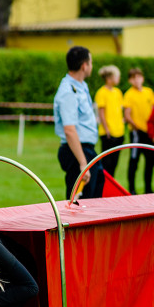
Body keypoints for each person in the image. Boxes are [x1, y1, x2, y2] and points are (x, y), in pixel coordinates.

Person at [53, 46, 104, 200]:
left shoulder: (81, 86)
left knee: (96, 195)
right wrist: (83, 163)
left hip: (87, 150)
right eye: (91, 62)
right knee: (80, 206)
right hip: (77, 152)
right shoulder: (68, 91)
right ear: (84, 65)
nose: (92, 66)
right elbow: (69, 130)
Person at [123, 68, 154, 194]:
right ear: (130, 80)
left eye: (139, 77)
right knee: (134, 161)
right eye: (134, 77)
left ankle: (148, 188)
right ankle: (132, 188)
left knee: (150, 161)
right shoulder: (129, 94)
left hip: (149, 132)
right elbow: (127, 115)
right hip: (137, 133)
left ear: (142, 78)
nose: (137, 80)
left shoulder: (149, 92)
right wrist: (136, 126)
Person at [94, 65, 125, 177]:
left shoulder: (118, 92)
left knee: (114, 164)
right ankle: (103, 187)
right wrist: (107, 129)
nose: (118, 79)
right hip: (108, 133)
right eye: (117, 76)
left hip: (119, 132)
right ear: (109, 78)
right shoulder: (101, 93)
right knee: (107, 163)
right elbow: (101, 113)